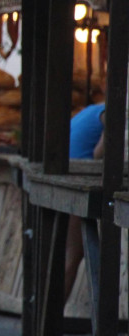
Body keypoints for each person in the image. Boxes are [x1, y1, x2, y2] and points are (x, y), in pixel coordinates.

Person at [64, 102, 105, 303]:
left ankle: (48, 320)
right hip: (77, 182)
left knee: (66, 255)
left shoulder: (93, 110)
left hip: (65, 179)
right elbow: (99, 155)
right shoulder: (110, 114)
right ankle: (51, 323)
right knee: (73, 255)